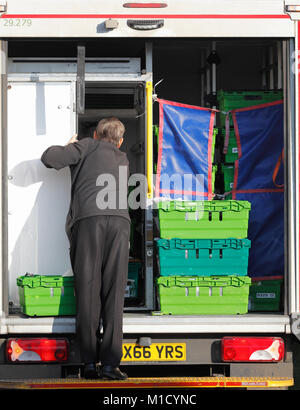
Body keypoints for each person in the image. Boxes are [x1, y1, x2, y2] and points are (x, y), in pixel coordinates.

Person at [41, 117, 130, 380]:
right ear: (121, 141)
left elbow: (49, 158)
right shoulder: (124, 158)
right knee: (114, 294)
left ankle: (89, 363)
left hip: (90, 222)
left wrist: (70, 146)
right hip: (120, 224)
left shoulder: (87, 146)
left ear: (95, 133)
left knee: (89, 289)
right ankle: (111, 366)